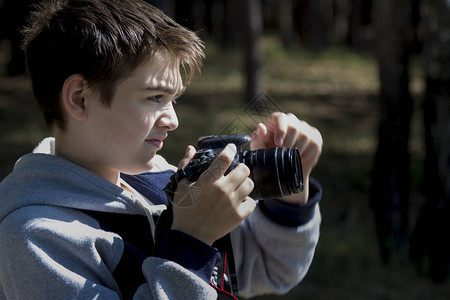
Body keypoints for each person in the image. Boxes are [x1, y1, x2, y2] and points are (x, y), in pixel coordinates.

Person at [0, 0, 323, 299]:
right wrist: (190, 243)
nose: (173, 120)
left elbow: (270, 271)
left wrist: (289, 191)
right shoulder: (33, 236)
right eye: (155, 98)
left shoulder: (160, 181)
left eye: (173, 100)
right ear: (79, 99)